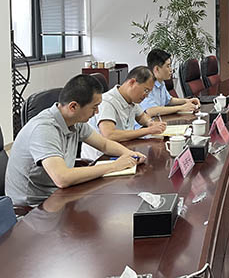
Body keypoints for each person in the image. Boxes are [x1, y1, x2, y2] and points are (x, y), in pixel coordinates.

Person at [5, 75, 146, 207]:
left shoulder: (75, 121)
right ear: (73, 107)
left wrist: (129, 155)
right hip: (35, 206)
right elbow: (62, 178)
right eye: (94, 107)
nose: (97, 112)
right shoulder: (43, 129)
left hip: (58, 194)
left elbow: (104, 144)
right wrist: (115, 166)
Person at [85, 66, 166, 145]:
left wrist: (150, 123)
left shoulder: (132, 100)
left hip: (124, 147)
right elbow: (109, 135)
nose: (146, 95)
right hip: (103, 153)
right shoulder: (107, 102)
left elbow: (142, 117)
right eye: (146, 90)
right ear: (132, 82)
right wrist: (148, 130)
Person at [140, 49, 200, 116]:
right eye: (168, 66)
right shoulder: (145, 85)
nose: (171, 70)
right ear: (156, 69)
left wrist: (187, 101)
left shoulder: (161, 82)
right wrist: (181, 108)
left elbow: (169, 100)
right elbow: (151, 111)